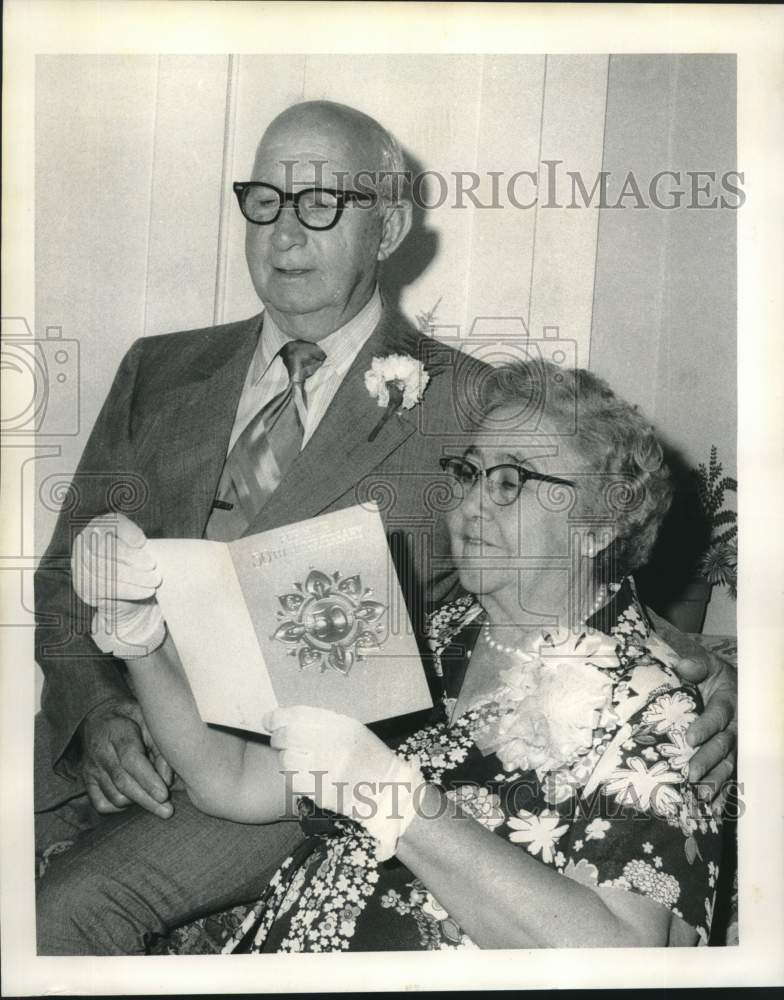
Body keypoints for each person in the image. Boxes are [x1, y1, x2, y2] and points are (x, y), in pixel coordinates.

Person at [34, 100, 735, 955]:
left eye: (321, 202)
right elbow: (67, 571)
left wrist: (708, 680)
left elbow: (584, 555)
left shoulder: (477, 403)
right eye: (266, 200)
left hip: (298, 755)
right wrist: (102, 704)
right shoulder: (158, 367)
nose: (284, 233)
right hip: (148, 739)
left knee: (67, 908)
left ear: (388, 225)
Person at [107, 361, 724, 950]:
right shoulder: (432, 636)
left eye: (512, 481)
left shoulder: (656, 708)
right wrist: (140, 635)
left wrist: (395, 798)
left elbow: (622, 954)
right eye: (469, 473)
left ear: (599, 527)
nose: (474, 503)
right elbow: (234, 782)